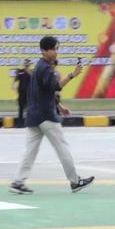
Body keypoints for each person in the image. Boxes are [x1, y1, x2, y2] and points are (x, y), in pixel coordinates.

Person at [10, 36, 95, 194]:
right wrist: (72, 75)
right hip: (45, 116)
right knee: (62, 148)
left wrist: (59, 105)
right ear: (44, 50)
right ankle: (75, 182)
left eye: (57, 48)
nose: (56, 52)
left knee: (30, 151)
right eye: (53, 49)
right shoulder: (46, 68)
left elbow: (44, 92)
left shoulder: (39, 67)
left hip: (34, 115)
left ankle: (18, 182)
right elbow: (56, 86)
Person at [11, 58, 32, 127]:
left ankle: (29, 122)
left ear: (29, 64)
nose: (26, 64)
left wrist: (28, 71)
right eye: (25, 63)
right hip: (21, 93)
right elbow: (15, 79)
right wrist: (13, 85)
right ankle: (20, 123)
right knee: (21, 108)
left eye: (27, 63)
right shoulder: (20, 71)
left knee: (29, 108)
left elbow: (34, 79)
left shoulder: (32, 71)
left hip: (29, 93)